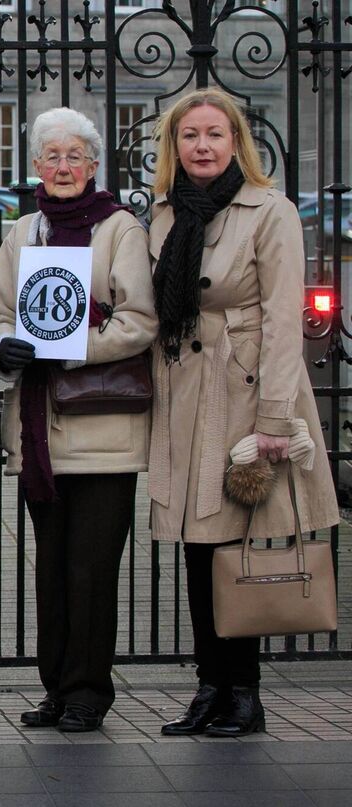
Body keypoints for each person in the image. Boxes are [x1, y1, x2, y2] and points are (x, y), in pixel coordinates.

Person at [147, 89, 339, 738]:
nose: (201, 146)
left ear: (236, 143)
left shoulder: (270, 210)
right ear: (173, 147)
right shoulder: (166, 213)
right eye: (189, 136)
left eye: (214, 134)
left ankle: (245, 691)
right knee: (199, 550)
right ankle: (210, 685)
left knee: (239, 546)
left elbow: (286, 321)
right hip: (184, 395)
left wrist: (276, 421)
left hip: (246, 396)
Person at [0, 108, 156, 733]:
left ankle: (88, 691)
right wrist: (7, 346)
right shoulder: (23, 231)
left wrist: (68, 345)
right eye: (51, 156)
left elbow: (139, 321)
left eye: (74, 156)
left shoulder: (119, 230)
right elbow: (2, 310)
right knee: (51, 569)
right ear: (36, 167)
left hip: (104, 434)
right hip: (40, 434)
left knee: (91, 571)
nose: (62, 167)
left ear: (92, 166)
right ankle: (56, 687)